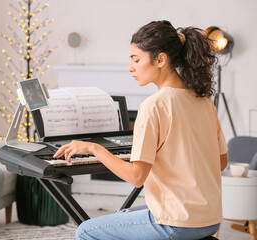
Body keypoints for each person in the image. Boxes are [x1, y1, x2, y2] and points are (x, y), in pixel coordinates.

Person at [53, 20, 228, 240]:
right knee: (122, 215)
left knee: (86, 231)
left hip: (177, 222)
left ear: (161, 59)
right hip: (210, 220)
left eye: (136, 60)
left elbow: (136, 177)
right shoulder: (203, 99)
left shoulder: (154, 105)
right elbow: (221, 162)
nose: (130, 68)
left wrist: (94, 148)